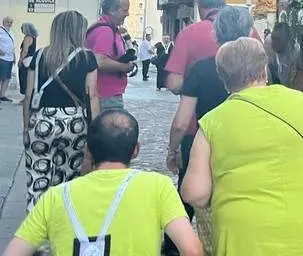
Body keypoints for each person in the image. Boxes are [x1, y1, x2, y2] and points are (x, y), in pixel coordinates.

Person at [181, 37, 303, 256]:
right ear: (264, 69)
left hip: (245, 234)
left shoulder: (212, 122)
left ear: (224, 79)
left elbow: (195, 193)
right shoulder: (300, 101)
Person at [3, 109, 202, 256]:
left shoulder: (55, 196)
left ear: (88, 150)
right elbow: (192, 250)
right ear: (136, 150)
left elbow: (14, 252)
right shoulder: (158, 186)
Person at [168, 6, 255, 255]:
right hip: (245, 142)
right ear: (249, 32)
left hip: (203, 141)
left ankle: (176, 246)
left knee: (189, 197)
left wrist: (172, 149)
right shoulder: (261, 69)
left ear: (216, 34)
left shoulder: (201, 68)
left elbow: (182, 122)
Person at [22, 11, 99, 211]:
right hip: (74, 122)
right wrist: (94, 130)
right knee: (69, 176)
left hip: (42, 120)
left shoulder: (39, 55)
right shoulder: (87, 57)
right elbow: (92, 96)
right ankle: (63, 219)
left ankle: (36, 220)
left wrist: (26, 127)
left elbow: (28, 96)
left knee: (38, 174)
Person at [86, 0, 134, 110]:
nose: (127, 14)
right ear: (112, 11)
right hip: (106, 93)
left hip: (105, 92)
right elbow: (99, 61)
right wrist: (125, 67)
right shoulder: (105, 31)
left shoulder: (108, 29)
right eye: (124, 10)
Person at [268, 22, 298, 86]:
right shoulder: (270, 58)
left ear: (287, 39)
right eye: (273, 39)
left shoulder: (296, 56)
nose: (274, 42)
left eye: (278, 39)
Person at [17, 23, 38, 99]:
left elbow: (25, 51)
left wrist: (20, 60)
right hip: (31, 60)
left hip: (26, 60)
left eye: (22, 28)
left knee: (24, 79)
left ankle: (26, 98)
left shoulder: (27, 38)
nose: (21, 29)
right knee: (29, 79)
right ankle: (27, 97)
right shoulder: (34, 37)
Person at [0, 16, 15, 102]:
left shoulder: (11, 32)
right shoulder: (0, 30)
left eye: (11, 22)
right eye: (8, 22)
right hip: (2, 58)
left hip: (10, 58)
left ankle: (2, 95)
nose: (9, 24)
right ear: (3, 22)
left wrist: (14, 56)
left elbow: (12, 44)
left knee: (7, 78)